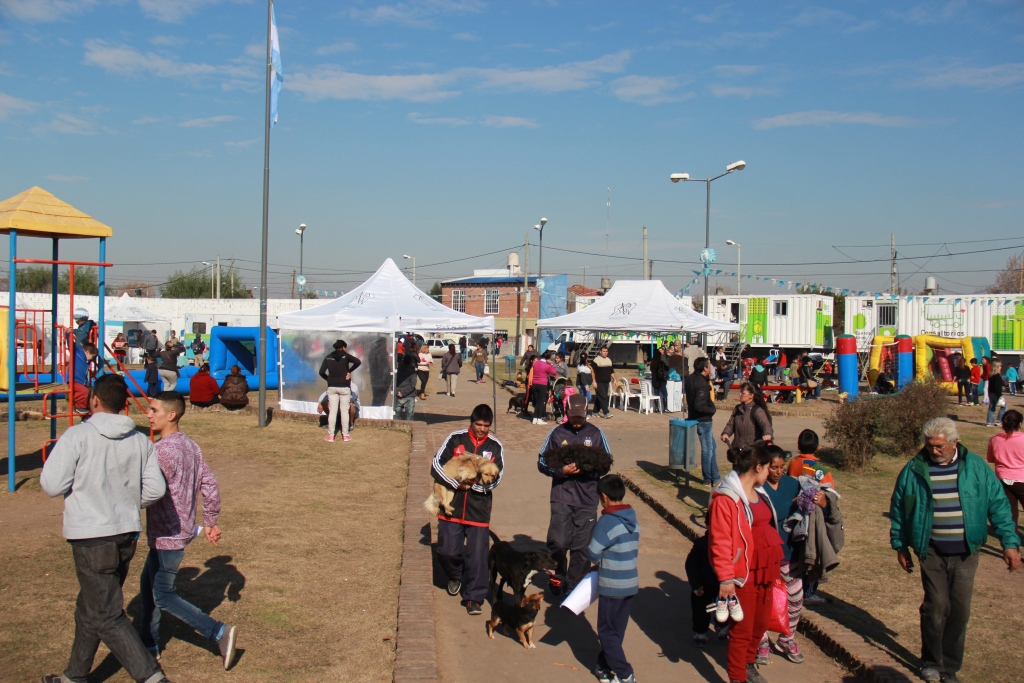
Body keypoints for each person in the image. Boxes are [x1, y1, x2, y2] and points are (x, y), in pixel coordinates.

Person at [39, 374, 170, 683]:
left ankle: (152, 677)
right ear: (124, 403)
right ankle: (74, 676)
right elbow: (155, 489)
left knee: (107, 613)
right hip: (125, 533)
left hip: (90, 536)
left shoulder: (76, 436)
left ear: (94, 400)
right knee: (90, 606)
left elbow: (52, 484)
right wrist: (124, 502)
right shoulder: (140, 439)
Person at [889, 417, 1021, 683]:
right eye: (930, 446)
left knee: (959, 612)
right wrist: (900, 545)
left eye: (939, 447)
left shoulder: (976, 469)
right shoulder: (914, 469)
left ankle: (949, 668)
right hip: (932, 551)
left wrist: (1010, 543)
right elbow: (899, 510)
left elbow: (999, 506)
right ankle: (931, 662)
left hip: (966, 552)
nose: (934, 451)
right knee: (935, 606)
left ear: (954, 442)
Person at [140, 392, 237, 669]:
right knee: (148, 589)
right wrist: (210, 521)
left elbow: (148, 491)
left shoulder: (163, 452)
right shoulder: (191, 446)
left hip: (168, 536)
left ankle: (219, 632)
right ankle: (149, 644)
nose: (149, 414)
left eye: (154, 410)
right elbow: (210, 484)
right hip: (175, 532)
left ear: (172, 415)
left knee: (163, 595)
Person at [709, 441, 783, 683]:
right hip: (743, 573)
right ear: (758, 467)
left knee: (760, 624)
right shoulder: (726, 498)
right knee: (741, 630)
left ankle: (748, 664)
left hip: (765, 568)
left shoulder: (759, 492)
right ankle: (737, 677)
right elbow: (720, 542)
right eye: (769, 468)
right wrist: (726, 578)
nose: (772, 473)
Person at [431, 404, 504, 615]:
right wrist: (456, 484)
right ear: (471, 422)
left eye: (486, 425)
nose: (481, 429)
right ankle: (456, 574)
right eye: (478, 424)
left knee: (478, 555)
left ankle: (474, 596)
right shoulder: (456, 438)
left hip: (479, 508)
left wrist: (477, 486)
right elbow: (436, 464)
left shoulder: (495, 446)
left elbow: (498, 476)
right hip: (451, 505)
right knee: (447, 551)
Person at [538, 394, 612, 596]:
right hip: (562, 496)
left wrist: (588, 469)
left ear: (587, 413)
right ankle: (557, 576)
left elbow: (606, 464)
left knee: (582, 548)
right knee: (559, 542)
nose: (577, 419)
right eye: (574, 415)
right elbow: (542, 462)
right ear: (566, 413)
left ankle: (573, 585)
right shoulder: (557, 433)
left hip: (587, 499)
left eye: (581, 415)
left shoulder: (596, 434)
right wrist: (562, 471)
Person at [756, 445, 823, 665]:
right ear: (763, 467)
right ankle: (761, 642)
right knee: (764, 600)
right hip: (764, 555)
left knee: (795, 598)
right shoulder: (756, 489)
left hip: (790, 552)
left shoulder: (793, 484)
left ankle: (787, 638)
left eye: (781, 467)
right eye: (773, 468)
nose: (778, 472)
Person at [588, 474, 640, 683]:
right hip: (630, 583)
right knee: (616, 631)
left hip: (611, 585)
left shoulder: (606, 522)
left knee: (606, 632)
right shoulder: (633, 518)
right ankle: (604, 667)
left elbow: (593, 551)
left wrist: (598, 559)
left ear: (604, 497)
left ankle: (624, 673)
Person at [686, 357, 719, 486]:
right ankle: (708, 477)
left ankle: (714, 475)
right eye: (709, 366)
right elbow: (699, 405)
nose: (710, 368)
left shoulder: (691, 378)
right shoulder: (701, 384)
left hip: (695, 416)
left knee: (712, 446)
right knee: (707, 448)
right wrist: (711, 410)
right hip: (703, 419)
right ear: (705, 368)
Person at [319, 339, 361, 442]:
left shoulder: (328, 357)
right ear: (343, 347)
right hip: (344, 386)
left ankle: (330, 436)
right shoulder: (345, 356)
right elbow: (357, 362)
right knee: (344, 411)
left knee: (332, 411)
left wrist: (328, 378)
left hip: (332, 386)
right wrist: (349, 371)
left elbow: (321, 372)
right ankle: (345, 435)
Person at [685, 532, 722, 648]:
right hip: (702, 585)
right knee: (700, 609)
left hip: (722, 584)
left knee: (724, 607)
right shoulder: (701, 544)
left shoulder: (729, 543)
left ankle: (722, 625)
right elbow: (690, 565)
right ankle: (700, 633)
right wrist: (695, 585)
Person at [988, 410, 1024, 529]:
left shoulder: (994, 440)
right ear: (1020, 424)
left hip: (1003, 479)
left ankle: (1013, 542)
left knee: (1010, 513)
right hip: (1022, 479)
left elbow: (990, 458)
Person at [722, 381, 774, 451]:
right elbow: (731, 424)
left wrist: (767, 434)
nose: (740, 395)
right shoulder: (738, 408)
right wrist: (726, 433)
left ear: (751, 396)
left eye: (743, 393)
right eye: (740, 392)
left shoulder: (757, 410)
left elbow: (766, 425)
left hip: (752, 451)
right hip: (737, 449)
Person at [530, 351, 558, 426]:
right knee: (541, 402)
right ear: (547, 359)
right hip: (542, 384)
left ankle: (535, 418)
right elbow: (554, 372)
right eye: (550, 359)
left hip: (534, 383)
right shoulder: (546, 365)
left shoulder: (536, 363)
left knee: (536, 402)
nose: (551, 361)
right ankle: (539, 418)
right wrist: (551, 365)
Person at [71, 342, 99, 414]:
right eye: (93, 356)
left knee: (92, 391)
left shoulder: (86, 361)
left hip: (80, 382)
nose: (93, 359)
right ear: (87, 352)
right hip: (74, 380)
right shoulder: (77, 353)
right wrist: (68, 333)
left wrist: (86, 381)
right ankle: (79, 407)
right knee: (84, 391)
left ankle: (86, 413)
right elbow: (71, 344)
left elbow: (85, 373)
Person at [591, 345, 616, 420]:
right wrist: (594, 382)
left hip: (606, 382)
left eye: (606, 351)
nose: (605, 353)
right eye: (603, 351)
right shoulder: (596, 360)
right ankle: (606, 412)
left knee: (600, 397)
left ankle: (595, 412)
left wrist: (614, 379)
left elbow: (611, 371)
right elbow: (592, 372)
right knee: (603, 397)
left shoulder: (609, 360)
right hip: (598, 382)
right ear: (600, 352)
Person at [394, 354, 418, 420]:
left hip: (398, 393)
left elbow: (393, 382)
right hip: (409, 394)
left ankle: (397, 427)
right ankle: (408, 427)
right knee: (409, 415)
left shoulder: (397, 370)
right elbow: (413, 384)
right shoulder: (412, 372)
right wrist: (403, 392)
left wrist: (397, 391)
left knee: (396, 414)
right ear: (410, 362)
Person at [987, 361, 1006, 427]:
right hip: (996, 393)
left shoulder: (991, 375)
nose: (1001, 367)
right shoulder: (997, 376)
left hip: (991, 393)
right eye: (1000, 366)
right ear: (997, 367)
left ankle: (990, 422)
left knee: (992, 407)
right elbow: (996, 387)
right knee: (1004, 406)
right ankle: (999, 420)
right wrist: (1000, 396)